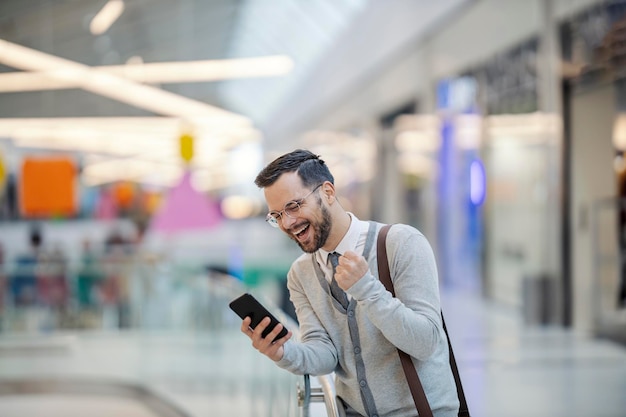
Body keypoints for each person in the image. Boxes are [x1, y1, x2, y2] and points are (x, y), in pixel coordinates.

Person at [241, 149, 459, 416]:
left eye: (294, 206)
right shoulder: (300, 274)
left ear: (328, 192)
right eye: (276, 216)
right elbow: (325, 353)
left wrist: (366, 289)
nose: (288, 222)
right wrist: (283, 353)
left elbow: (426, 342)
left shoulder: (401, 243)